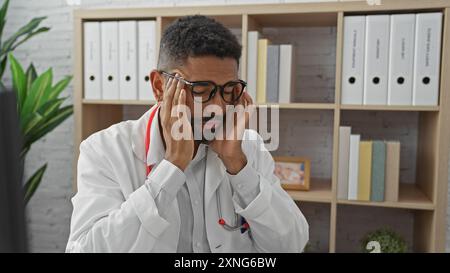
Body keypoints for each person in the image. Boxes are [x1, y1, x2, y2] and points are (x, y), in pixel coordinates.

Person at [66, 15, 308, 253]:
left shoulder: (248, 148)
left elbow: (291, 244)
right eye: (202, 91)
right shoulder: (104, 150)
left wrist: (238, 166)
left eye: (229, 90)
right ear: (160, 87)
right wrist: (171, 168)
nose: (220, 107)